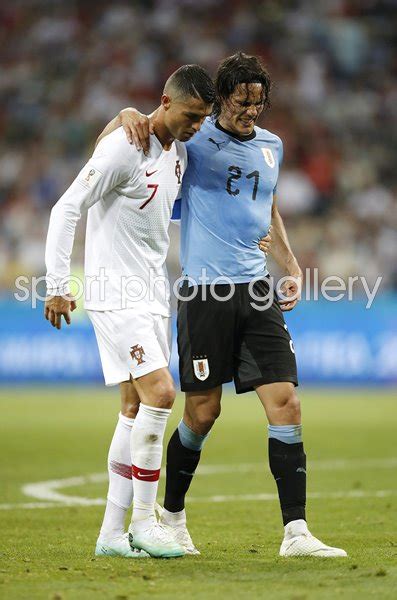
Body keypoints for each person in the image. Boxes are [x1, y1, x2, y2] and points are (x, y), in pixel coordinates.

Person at [101, 52, 347, 558]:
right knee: (202, 412)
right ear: (221, 100)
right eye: (241, 102)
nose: (250, 112)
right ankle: (171, 518)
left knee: (287, 402)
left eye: (258, 103)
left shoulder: (272, 147)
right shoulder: (193, 142)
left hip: (256, 292)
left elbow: (268, 208)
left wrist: (292, 266)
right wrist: (124, 115)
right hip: (203, 294)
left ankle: (296, 533)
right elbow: (125, 146)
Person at [44, 65, 216, 559]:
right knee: (162, 392)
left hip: (151, 294)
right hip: (114, 293)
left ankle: (111, 536)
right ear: (165, 101)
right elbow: (66, 208)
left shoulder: (177, 152)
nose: (195, 126)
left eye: (203, 118)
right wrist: (57, 285)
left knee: (134, 408)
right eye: (189, 115)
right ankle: (145, 522)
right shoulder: (125, 144)